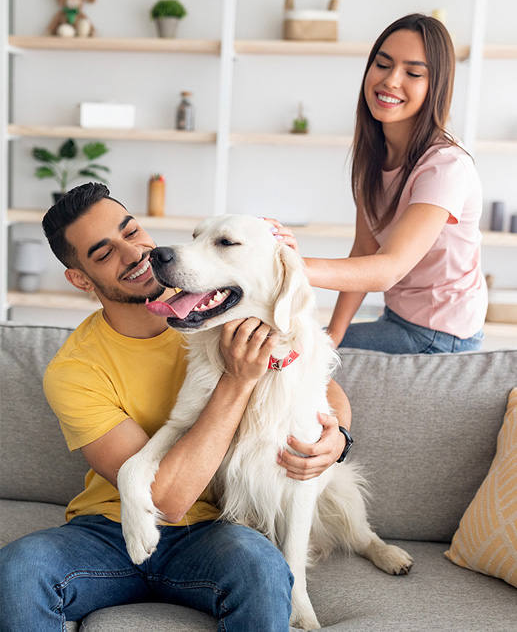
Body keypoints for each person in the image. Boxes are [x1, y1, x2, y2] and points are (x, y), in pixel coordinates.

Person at [0, 182, 351, 631]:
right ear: (81, 279)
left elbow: (318, 381)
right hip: (108, 529)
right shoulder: (74, 369)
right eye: (104, 253)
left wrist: (337, 436)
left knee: (262, 569)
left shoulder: (216, 303)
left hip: (213, 529)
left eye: (132, 231)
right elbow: (167, 500)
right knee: (18, 568)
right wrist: (236, 381)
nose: (134, 254)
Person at [269, 13, 488, 355]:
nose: (391, 81)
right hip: (398, 317)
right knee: (310, 348)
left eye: (413, 73)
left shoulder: (446, 166)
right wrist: (335, 333)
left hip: (442, 336)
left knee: (291, 354)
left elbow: (389, 268)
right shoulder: (375, 155)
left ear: (436, 86)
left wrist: (291, 264)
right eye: (383, 64)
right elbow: (365, 248)